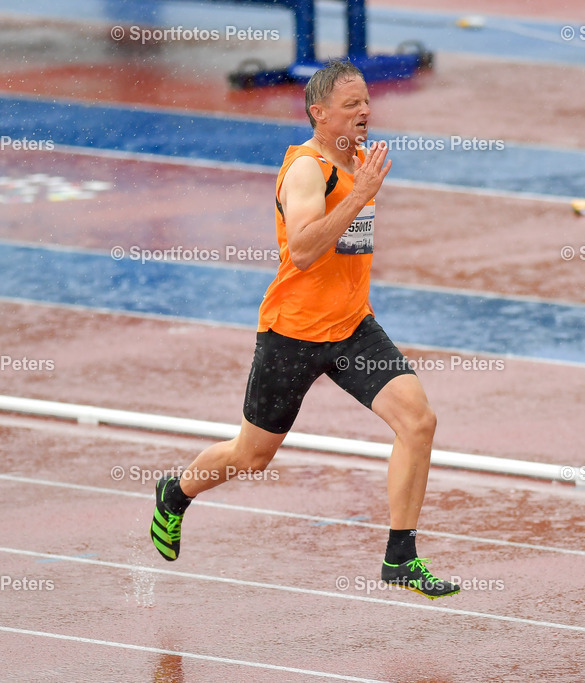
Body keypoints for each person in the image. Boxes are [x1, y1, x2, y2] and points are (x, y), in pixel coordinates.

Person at [150, 60, 459, 600]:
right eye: (351, 105)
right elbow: (306, 249)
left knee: (418, 421)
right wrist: (359, 195)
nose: (364, 112)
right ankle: (176, 493)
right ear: (318, 114)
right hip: (292, 333)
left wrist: (360, 190)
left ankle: (400, 557)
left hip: (352, 328)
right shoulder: (307, 171)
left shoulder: (360, 160)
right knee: (251, 457)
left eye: (366, 102)